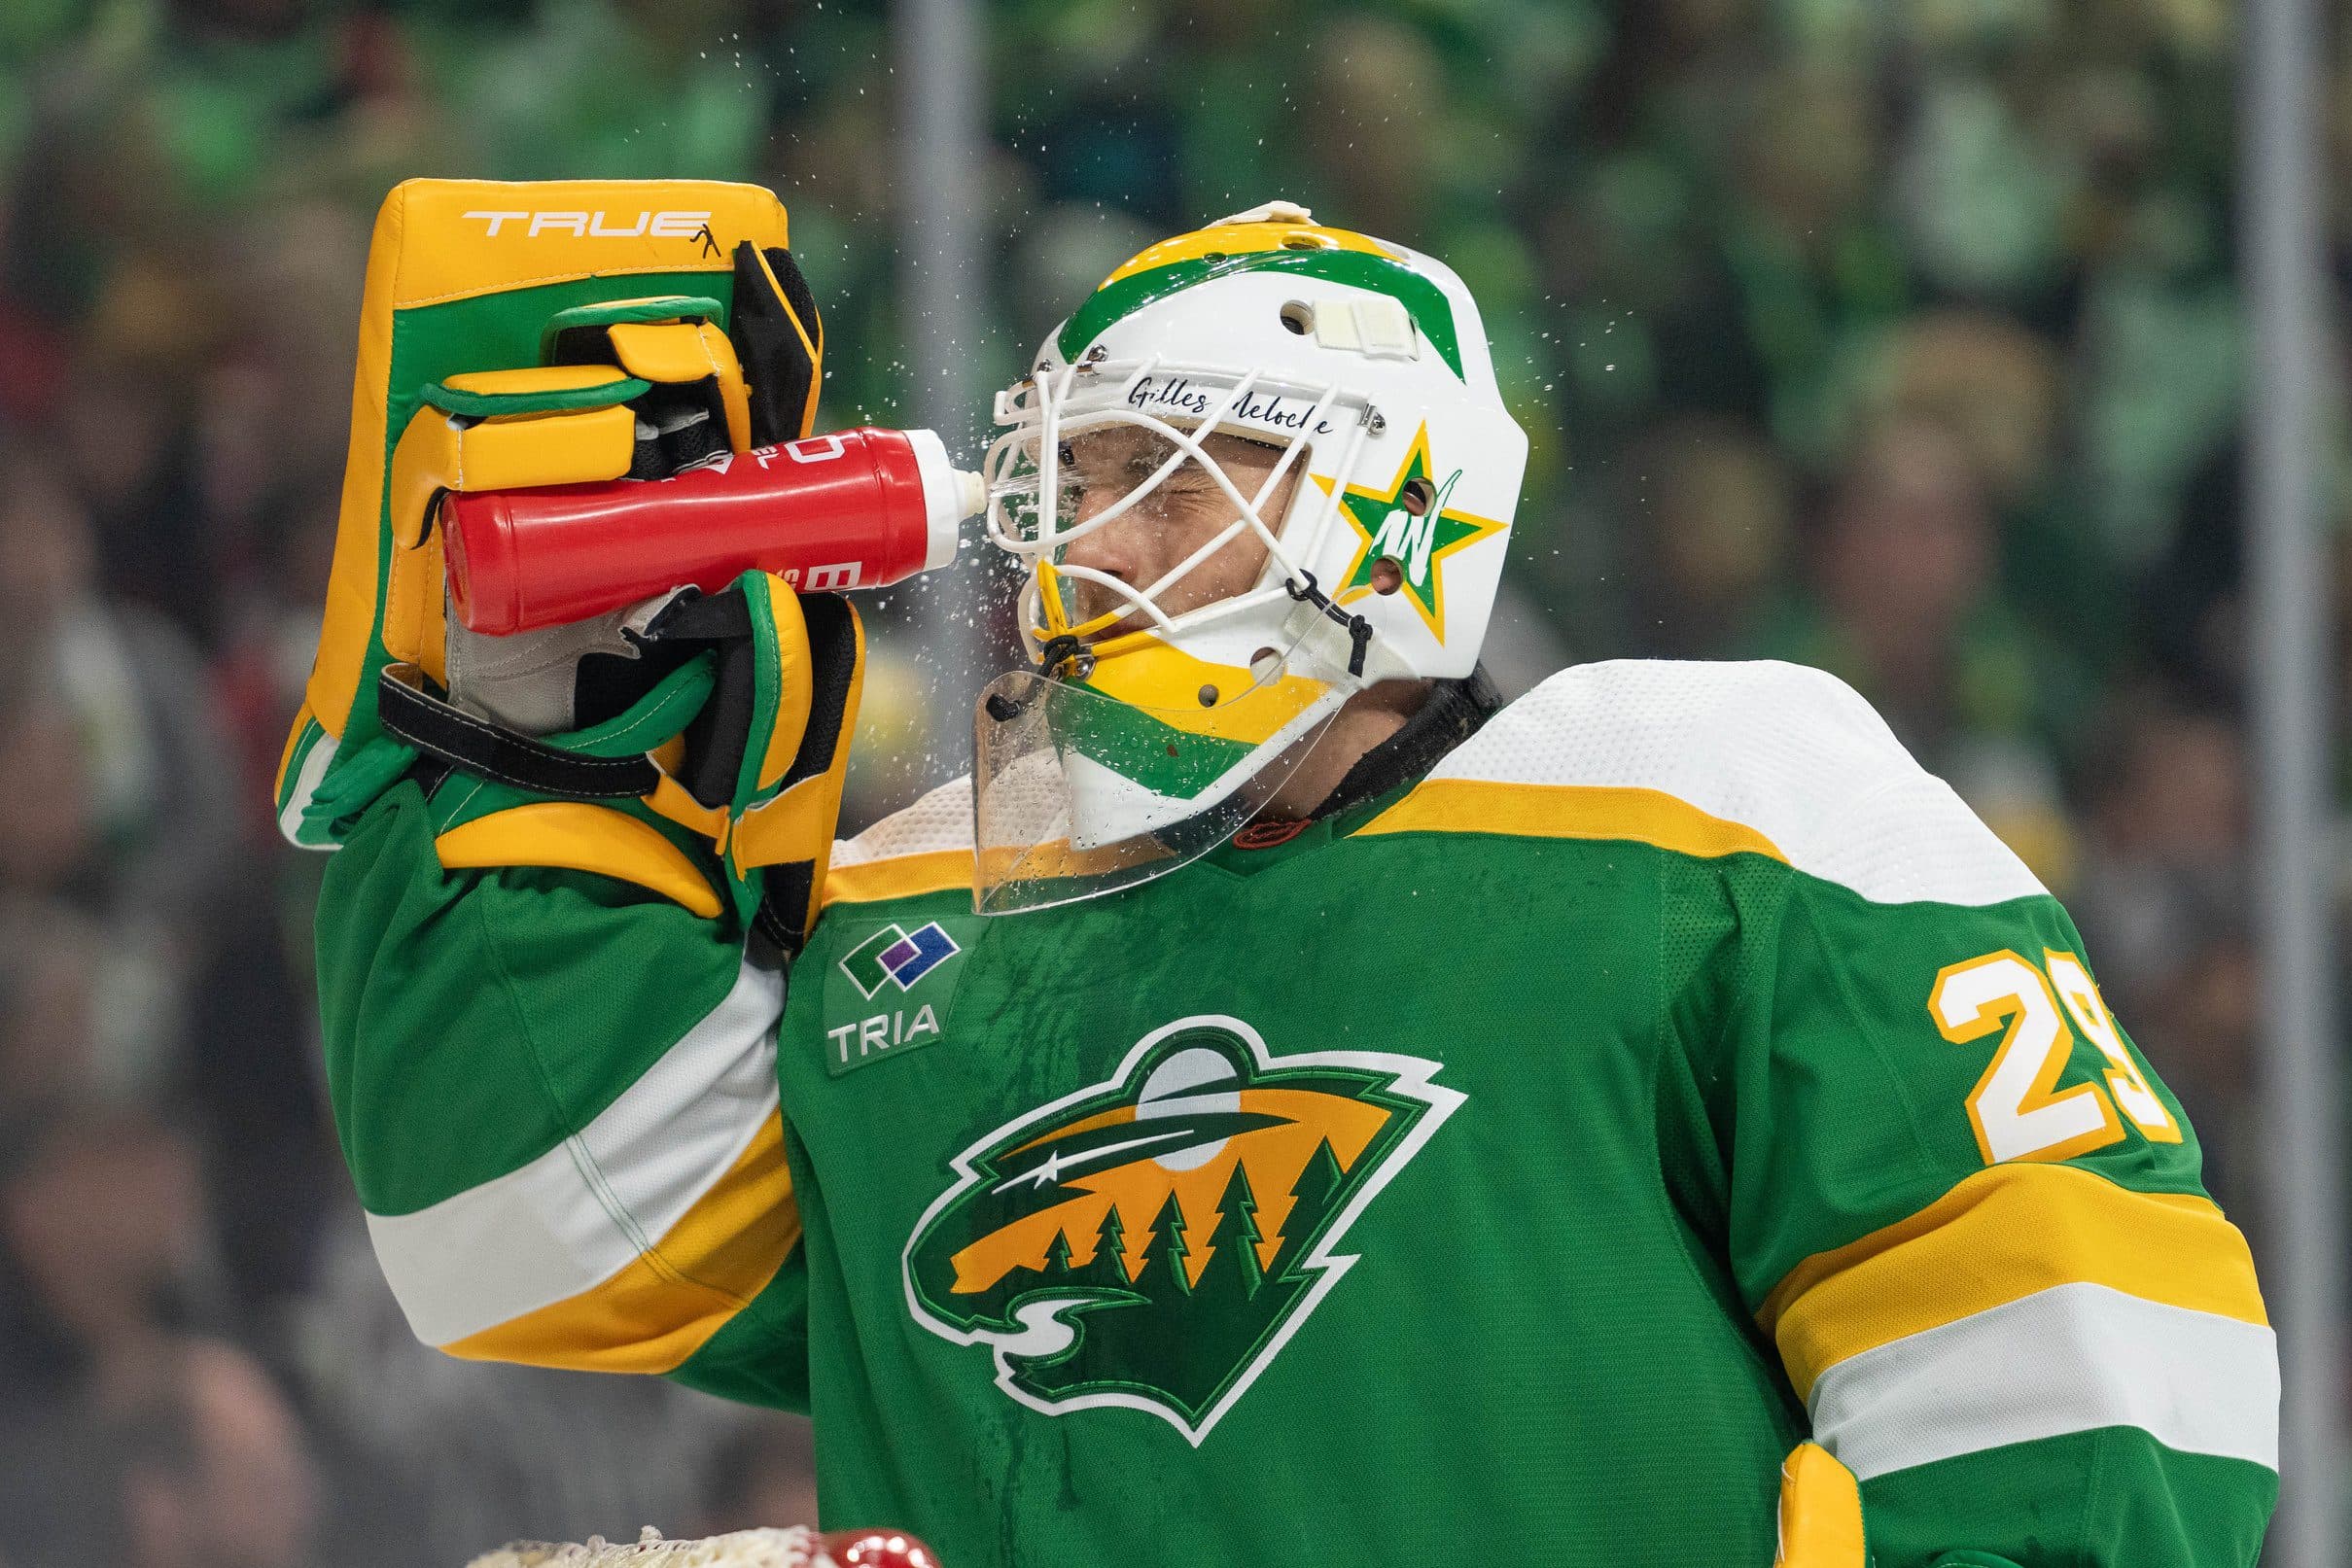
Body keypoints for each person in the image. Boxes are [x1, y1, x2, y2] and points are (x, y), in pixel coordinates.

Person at [309, 202, 2275, 1566]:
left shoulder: (1704, 802)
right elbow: (526, 1228)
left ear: (1401, 497)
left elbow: (2090, 1353)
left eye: (1193, 470)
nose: (1107, 539)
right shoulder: (932, 927)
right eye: (1082, 481)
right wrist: (523, 751)